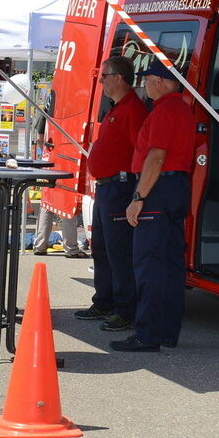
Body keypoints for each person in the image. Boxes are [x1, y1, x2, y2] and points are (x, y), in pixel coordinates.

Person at [111, 60, 196, 353]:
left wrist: (138, 198)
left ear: (160, 81)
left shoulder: (164, 111)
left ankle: (147, 334)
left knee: (148, 265)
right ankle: (167, 332)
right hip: (177, 188)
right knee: (171, 266)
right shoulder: (184, 109)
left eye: (147, 80)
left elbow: (156, 157)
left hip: (157, 190)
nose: (144, 85)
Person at [73, 56, 147, 332]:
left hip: (120, 187)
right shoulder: (119, 108)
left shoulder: (133, 110)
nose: (101, 81)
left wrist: (136, 194)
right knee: (101, 248)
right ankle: (104, 301)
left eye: (104, 76)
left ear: (118, 78)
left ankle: (126, 309)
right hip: (107, 187)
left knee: (119, 252)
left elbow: (143, 152)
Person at [30, 89, 87, 257]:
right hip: (67, 158)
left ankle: (40, 244)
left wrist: (47, 154)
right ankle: (71, 247)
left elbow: (40, 137)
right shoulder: (76, 111)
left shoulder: (50, 104)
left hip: (50, 157)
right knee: (67, 200)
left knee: (47, 202)